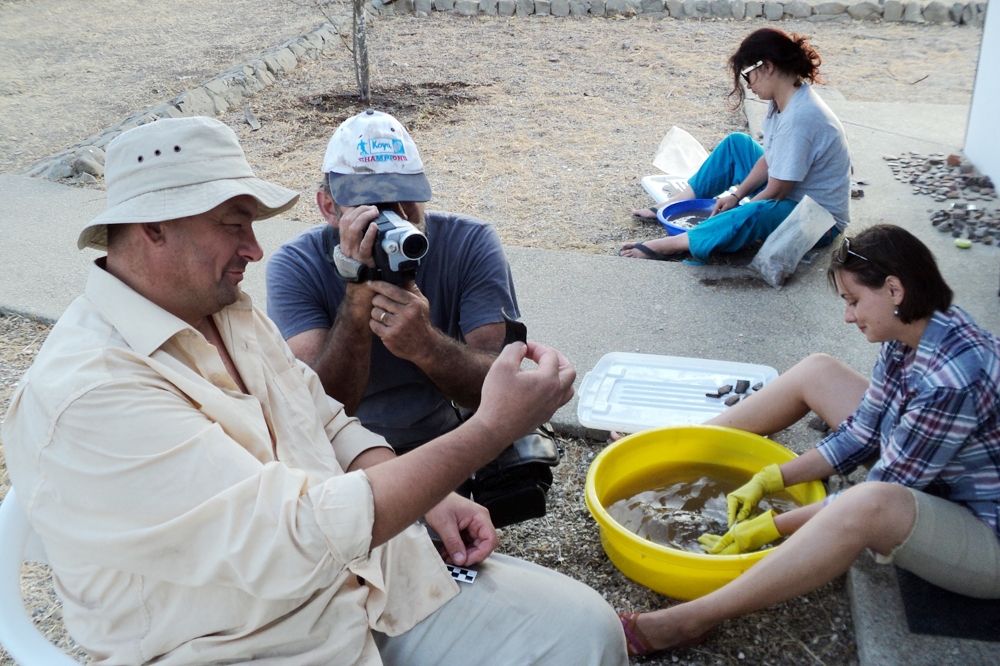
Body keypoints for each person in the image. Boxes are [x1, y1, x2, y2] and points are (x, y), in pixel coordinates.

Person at [2, 116, 628, 666]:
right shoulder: (89, 393)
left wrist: (424, 496)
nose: (254, 248)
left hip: (364, 578)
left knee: (586, 630)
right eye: (233, 224)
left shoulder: (223, 310)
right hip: (241, 642)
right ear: (154, 228)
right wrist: (487, 430)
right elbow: (295, 535)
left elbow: (323, 416)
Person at [618, 225, 1000, 656]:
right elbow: (861, 431)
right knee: (818, 369)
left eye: (854, 301)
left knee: (867, 503)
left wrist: (768, 527)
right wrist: (772, 477)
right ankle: (680, 441)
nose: (848, 317)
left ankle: (684, 622)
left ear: (894, 289)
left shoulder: (951, 381)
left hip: (987, 536)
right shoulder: (914, 329)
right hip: (937, 470)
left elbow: (886, 489)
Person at [266, 109, 517, 454]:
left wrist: (427, 345)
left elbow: (503, 388)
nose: (396, 216)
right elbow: (314, 414)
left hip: (447, 436)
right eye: (373, 202)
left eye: (405, 195)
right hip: (347, 449)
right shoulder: (296, 264)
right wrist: (357, 296)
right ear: (328, 208)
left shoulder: (470, 242)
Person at [621, 28, 850, 264]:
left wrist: (741, 208)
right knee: (736, 144)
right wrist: (737, 195)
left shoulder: (801, 117)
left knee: (756, 211)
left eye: (747, 74)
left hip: (819, 221)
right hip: (792, 197)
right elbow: (769, 159)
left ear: (768, 67)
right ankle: (674, 204)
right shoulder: (783, 103)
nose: (748, 85)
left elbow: (778, 191)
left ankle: (676, 244)